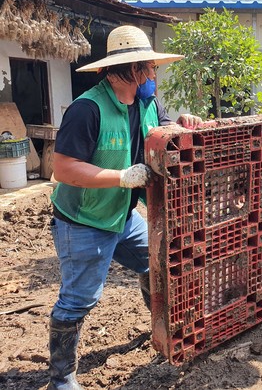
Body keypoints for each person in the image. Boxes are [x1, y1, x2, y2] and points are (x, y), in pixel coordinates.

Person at [47, 25, 202, 390]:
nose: (153, 74)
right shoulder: (87, 109)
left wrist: (181, 126)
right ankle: (62, 377)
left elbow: (161, 136)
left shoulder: (148, 103)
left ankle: (160, 329)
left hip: (122, 214)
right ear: (128, 70)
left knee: (156, 260)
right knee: (78, 299)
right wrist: (121, 177)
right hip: (84, 219)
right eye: (148, 67)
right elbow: (64, 168)